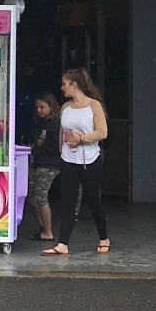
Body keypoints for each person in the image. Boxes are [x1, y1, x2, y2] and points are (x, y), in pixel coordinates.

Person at [44, 68, 110, 256]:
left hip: (90, 159)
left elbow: (102, 132)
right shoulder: (65, 107)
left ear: (74, 85)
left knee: (92, 200)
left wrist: (81, 139)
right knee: (68, 201)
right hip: (68, 159)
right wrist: (62, 148)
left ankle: (104, 238)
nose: (62, 88)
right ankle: (62, 243)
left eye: (64, 84)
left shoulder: (94, 105)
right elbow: (62, 131)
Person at [25, 92, 63, 244]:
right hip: (38, 162)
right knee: (31, 195)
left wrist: (42, 144)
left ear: (51, 107)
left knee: (41, 196)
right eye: (37, 107)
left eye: (42, 107)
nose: (39, 110)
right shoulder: (40, 123)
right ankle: (43, 225)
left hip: (49, 165)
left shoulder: (55, 124)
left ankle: (48, 232)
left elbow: (58, 146)